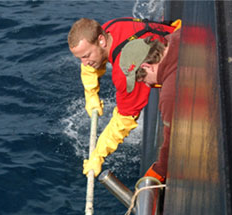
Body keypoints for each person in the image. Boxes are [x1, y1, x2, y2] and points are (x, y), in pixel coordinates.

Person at [68, 17, 181, 178]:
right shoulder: (110, 28)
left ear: (101, 41)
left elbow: (125, 118)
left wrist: (98, 154)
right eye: (80, 58)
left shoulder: (127, 71)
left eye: (86, 56)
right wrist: (91, 93)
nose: (84, 63)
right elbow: (89, 65)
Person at [119, 28, 181, 182]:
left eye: (143, 80)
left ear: (146, 66)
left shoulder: (170, 93)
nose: (147, 86)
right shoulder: (178, 35)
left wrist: (158, 171)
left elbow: (171, 142)